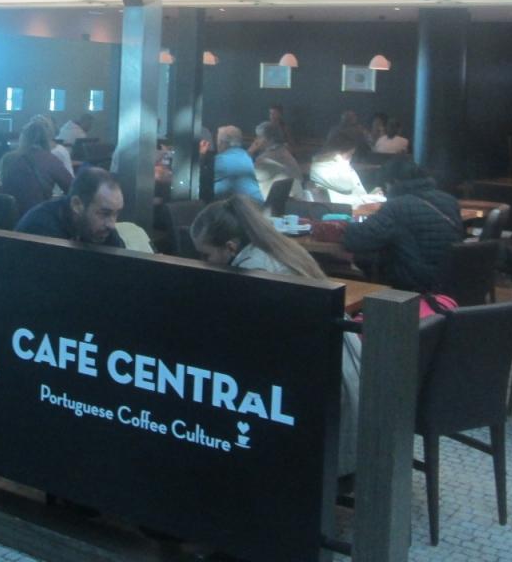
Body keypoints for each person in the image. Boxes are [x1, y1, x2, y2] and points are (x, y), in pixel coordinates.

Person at [190, 195, 361, 476]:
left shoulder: (253, 272)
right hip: (345, 376)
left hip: (323, 402)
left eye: (206, 255)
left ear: (230, 247)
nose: (202, 263)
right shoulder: (279, 248)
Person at [342, 157, 463, 294]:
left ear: (394, 182)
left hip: (415, 282)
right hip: (451, 278)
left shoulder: (397, 206)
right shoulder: (449, 200)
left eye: (385, 185)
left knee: (361, 260)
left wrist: (341, 228)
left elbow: (360, 239)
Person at [14, 167, 125, 248]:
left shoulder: (100, 229)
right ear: (76, 205)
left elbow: (123, 262)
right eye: (105, 213)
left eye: (116, 213)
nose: (112, 225)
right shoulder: (40, 229)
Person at [0, 116, 74, 218]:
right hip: (36, 218)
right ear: (46, 138)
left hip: (6, 218)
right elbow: (72, 188)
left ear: (23, 138)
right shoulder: (50, 160)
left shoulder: (7, 159)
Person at [308, 134, 374, 207]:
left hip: (357, 205)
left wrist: (371, 196)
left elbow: (359, 192)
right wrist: (342, 161)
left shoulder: (339, 165)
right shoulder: (321, 167)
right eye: (350, 154)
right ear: (339, 151)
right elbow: (347, 185)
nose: (351, 158)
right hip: (346, 210)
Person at [250, 120, 300, 203]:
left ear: (269, 139)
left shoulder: (265, 159)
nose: (256, 140)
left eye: (258, 137)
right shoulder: (284, 152)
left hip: (274, 205)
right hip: (293, 201)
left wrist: (250, 152)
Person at [212, 125, 263, 203]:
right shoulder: (247, 156)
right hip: (258, 205)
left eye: (217, 141)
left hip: (244, 208)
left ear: (222, 143)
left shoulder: (219, 160)